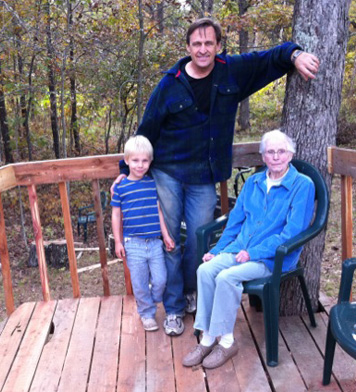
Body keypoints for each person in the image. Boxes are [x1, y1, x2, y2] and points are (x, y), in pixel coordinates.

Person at [111, 17, 320, 336]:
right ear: (188, 47)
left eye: (209, 43)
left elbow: (268, 59)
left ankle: (194, 290)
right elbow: (147, 129)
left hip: (204, 177)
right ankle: (174, 307)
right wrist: (126, 173)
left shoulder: (231, 71)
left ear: (219, 46)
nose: (203, 49)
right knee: (170, 242)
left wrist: (295, 55)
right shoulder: (171, 83)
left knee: (198, 239)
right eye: (197, 43)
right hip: (167, 171)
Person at [182, 130, 315, 369]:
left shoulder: (302, 186)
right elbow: (235, 221)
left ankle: (227, 342)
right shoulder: (253, 182)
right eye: (270, 152)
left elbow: (292, 233)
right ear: (263, 157)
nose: (276, 156)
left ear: (291, 155)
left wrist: (253, 253)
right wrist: (219, 249)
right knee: (205, 270)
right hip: (240, 249)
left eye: (281, 151)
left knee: (226, 277)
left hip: (272, 258)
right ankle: (208, 337)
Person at [111, 135, 175, 331]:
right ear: (127, 160)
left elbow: (159, 211)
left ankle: (152, 300)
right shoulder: (121, 187)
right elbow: (115, 216)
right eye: (135, 160)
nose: (140, 165)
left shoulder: (152, 184)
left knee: (160, 279)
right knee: (139, 282)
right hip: (133, 243)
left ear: (150, 161)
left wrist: (166, 236)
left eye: (145, 160)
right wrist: (118, 242)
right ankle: (147, 314)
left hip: (155, 242)